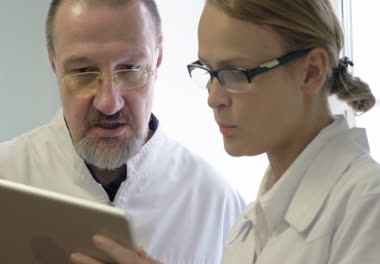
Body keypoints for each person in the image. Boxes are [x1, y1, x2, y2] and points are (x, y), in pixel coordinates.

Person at [0, 0, 246, 263]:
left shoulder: (218, 206)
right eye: (83, 71)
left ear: (158, 58)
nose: (109, 102)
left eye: (130, 69)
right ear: (53, 62)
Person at [68, 0, 380, 263]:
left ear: (311, 71)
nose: (213, 98)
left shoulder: (367, 206)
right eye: (209, 72)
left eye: (235, 73)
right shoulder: (247, 226)